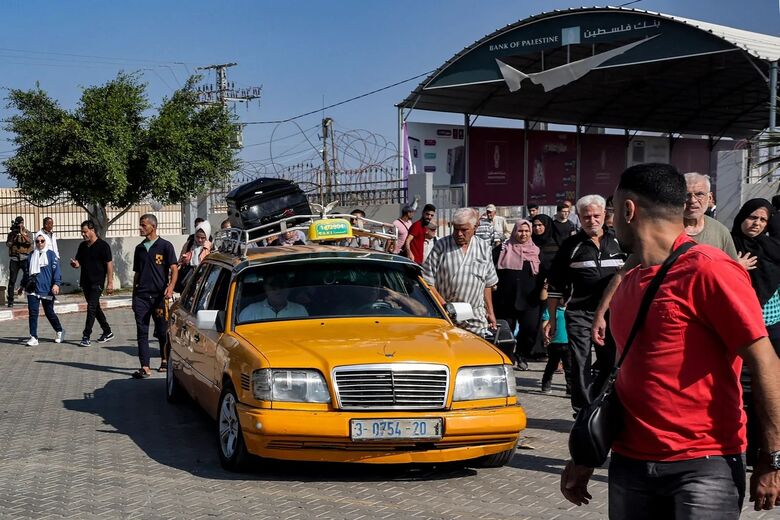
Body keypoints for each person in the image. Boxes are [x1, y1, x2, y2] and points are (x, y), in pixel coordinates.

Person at [561, 162, 780, 517]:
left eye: (614, 209)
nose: (612, 220)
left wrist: (771, 458)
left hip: (704, 465)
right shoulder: (631, 284)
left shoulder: (710, 270)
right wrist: (587, 454)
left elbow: (767, 362)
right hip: (630, 462)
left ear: (629, 210)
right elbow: (627, 376)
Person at [591, 170, 747, 347]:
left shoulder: (721, 233)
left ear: (710, 197)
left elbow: (735, 280)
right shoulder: (662, 232)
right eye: (687, 195)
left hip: (705, 325)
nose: (693, 200)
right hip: (663, 320)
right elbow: (623, 273)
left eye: (699, 194)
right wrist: (601, 313)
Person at [546, 194, 624, 412]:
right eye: (586, 216)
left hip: (613, 314)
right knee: (580, 361)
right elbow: (555, 286)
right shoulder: (570, 246)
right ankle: (582, 409)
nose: (592, 220)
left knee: (610, 361)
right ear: (578, 217)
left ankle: (603, 403)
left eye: (596, 215)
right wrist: (551, 319)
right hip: (579, 313)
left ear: (604, 214)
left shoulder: (619, 241)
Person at [731, 198, 780, 468]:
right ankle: (744, 448)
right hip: (740, 329)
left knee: (768, 390)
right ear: (741, 217)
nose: (757, 224)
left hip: (772, 329)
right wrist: (734, 267)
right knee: (743, 391)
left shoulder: (773, 247)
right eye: (752, 217)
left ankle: (764, 448)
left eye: (762, 220)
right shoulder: (728, 245)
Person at [422, 208, 498, 337]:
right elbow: (427, 281)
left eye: (464, 230)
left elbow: (487, 283)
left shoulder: (484, 247)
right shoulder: (441, 246)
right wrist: (444, 307)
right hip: (445, 315)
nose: (459, 234)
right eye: (456, 229)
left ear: (475, 227)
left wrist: (490, 312)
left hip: (475, 317)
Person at [131, 214, 178, 379]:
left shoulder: (165, 246)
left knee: (161, 330)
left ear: (153, 226)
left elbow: (174, 269)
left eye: (143, 225)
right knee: (141, 331)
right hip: (142, 297)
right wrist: (133, 296)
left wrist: (170, 287)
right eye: (140, 225)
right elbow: (137, 274)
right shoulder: (139, 248)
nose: (140, 228)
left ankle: (165, 359)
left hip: (159, 297)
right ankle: (145, 366)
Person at [494, 220, 543, 370]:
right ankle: (507, 358)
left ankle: (521, 353)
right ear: (515, 231)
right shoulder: (502, 249)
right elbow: (491, 270)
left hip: (530, 299)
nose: (523, 234)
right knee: (505, 332)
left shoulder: (537, 251)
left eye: (527, 231)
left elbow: (544, 272)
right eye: (520, 231)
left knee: (530, 329)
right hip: (506, 299)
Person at [70, 220, 114, 347]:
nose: (83, 235)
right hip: (86, 282)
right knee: (95, 308)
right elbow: (79, 262)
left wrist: (110, 282)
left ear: (92, 230)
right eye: (82, 232)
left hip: (97, 282)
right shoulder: (82, 246)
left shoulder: (103, 246)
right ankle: (107, 331)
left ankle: (86, 335)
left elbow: (109, 265)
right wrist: (75, 264)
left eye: (85, 232)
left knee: (91, 308)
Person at [19, 232, 63, 346]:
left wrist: (56, 284)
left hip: (46, 289)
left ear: (46, 242)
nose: (39, 243)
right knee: (33, 313)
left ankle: (59, 331)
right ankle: (33, 337)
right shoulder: (31, 255)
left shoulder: (51, 255)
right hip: (32, 289)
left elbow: (56, 271)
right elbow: (27, 273)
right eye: (37, 241)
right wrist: (22, 286)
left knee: (49, 313)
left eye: (42, 241)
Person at [238, 273, 308, 322]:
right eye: (273, 284)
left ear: (288, 287)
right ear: (265, 287)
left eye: (282, 284)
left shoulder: (300, 310)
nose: (278, 289)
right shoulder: (250, 311)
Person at [541, 301, 572, 395]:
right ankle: (546, 384)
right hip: (554, 343)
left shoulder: (572, 310)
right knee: (551, 365)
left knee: (569, 367)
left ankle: (570, 388)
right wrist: (545, 337)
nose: (566, 301)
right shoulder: (552, 309)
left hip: (568, 343)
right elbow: (544, 325)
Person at [176, 221, 212, 292]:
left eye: (203, 238)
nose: (199, 240)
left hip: (203, 281)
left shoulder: (211, 247)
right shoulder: (189, 244)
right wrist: (184, 260)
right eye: (197, 237)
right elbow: (179, 262)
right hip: (188, 281)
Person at [6, 216, 32, 308]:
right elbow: (8, 244)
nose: (19, 225)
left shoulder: (27, 232)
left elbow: (30, 242)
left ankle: (31, 298)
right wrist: (13, 236)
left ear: (23, 223)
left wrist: (22, 234)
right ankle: (10, 301)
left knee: (29, 278)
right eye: (18, 223)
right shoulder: (11, 234)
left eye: (21, 223)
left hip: (25, 258)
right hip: (14, 259)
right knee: (12, 280)